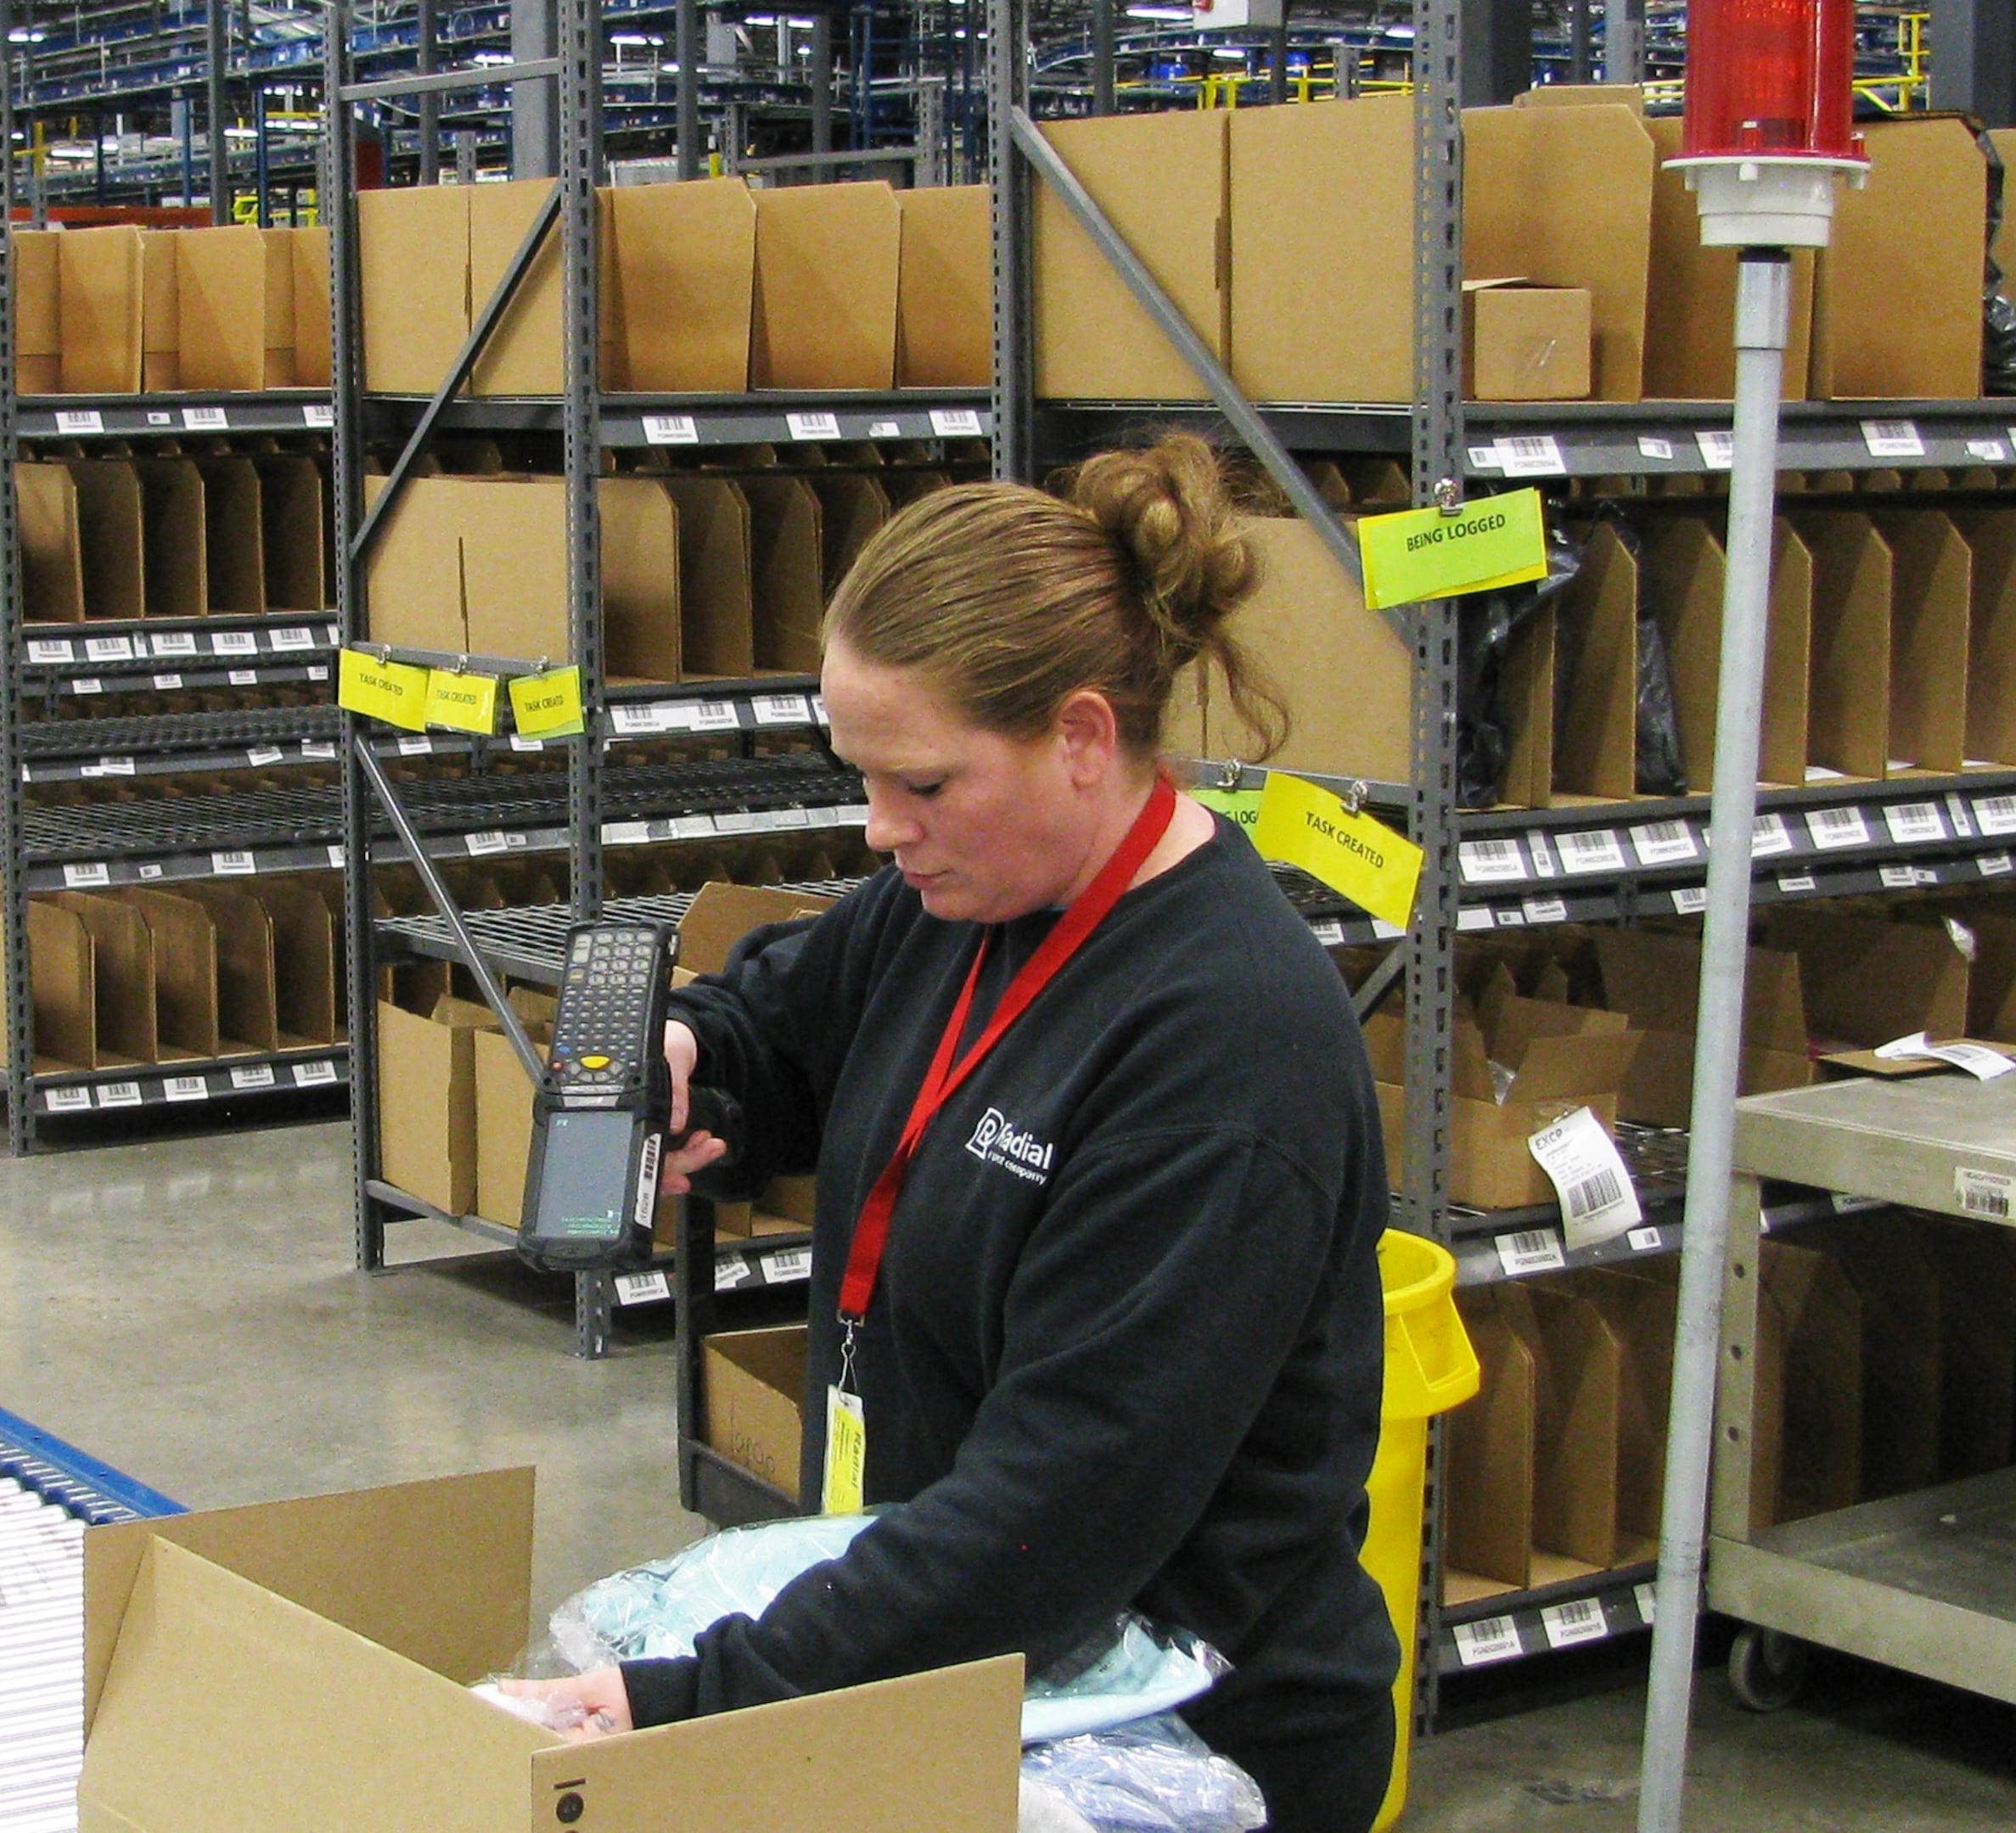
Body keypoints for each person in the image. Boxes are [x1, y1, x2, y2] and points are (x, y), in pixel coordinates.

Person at [498, 435, 1395, 1833]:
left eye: (920, 783)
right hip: (950, 1658)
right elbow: (787, 1025)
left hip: (1167, 1744)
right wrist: (694, 1065)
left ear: (1084, 739)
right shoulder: (964, 895)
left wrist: (714, 1699)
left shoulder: (1225, 1052)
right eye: (862, 776)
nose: (878, 829)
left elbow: (1058, 1513)